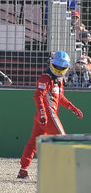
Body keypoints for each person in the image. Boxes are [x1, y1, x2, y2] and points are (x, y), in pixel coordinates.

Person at [17, 51, 84, 179]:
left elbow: (60, 97)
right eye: (57, 67)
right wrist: (43, 113)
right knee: (63, 140)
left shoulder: (59, 80)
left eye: (62, 68)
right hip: (48, 115)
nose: (59, 70)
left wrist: (73, 108)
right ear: (52, 64)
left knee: (33, 143)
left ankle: (23, 170)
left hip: (43, 117)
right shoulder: (45, 78)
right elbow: (38, 96)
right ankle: (68, 172)